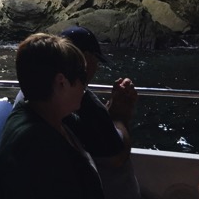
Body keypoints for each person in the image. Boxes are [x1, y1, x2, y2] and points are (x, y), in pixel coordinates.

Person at [0, 33, 104, 199]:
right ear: (61, 83)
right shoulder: (36, 146)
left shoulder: (52, 116)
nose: (84, 86)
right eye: (82, 76)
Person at [60, 26, 140, 199]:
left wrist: (108, 109)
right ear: (85, 60)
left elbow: (93, 129)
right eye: (95, 60)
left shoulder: (38, 91)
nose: (96, 67)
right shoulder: (74, 100)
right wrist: (121, 114)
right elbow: (117, 156)